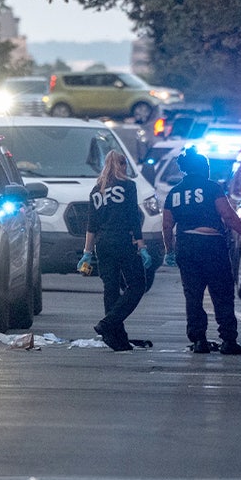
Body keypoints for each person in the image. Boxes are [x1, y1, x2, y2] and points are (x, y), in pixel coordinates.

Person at [162, 148, 241, 355]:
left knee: (193, 296)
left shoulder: (174, 192)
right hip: (212, 246)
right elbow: (227, 215)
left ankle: (198, 340)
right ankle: (228, 340)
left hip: (186, 245)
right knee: (222, 294)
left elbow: (167, 225)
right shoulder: (212, 188)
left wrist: (170, 250)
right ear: (203, 168)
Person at [80, 150, 153, 351]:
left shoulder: (97, 190)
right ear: (121, 165)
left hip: (102, 244)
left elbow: (91, 225)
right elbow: (133, 218)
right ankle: (108, 323)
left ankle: (115, 338)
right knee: (137, 285)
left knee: (110, 288)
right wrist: (141, 244)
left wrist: (87, 252)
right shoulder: (129, 186)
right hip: (122, 241)